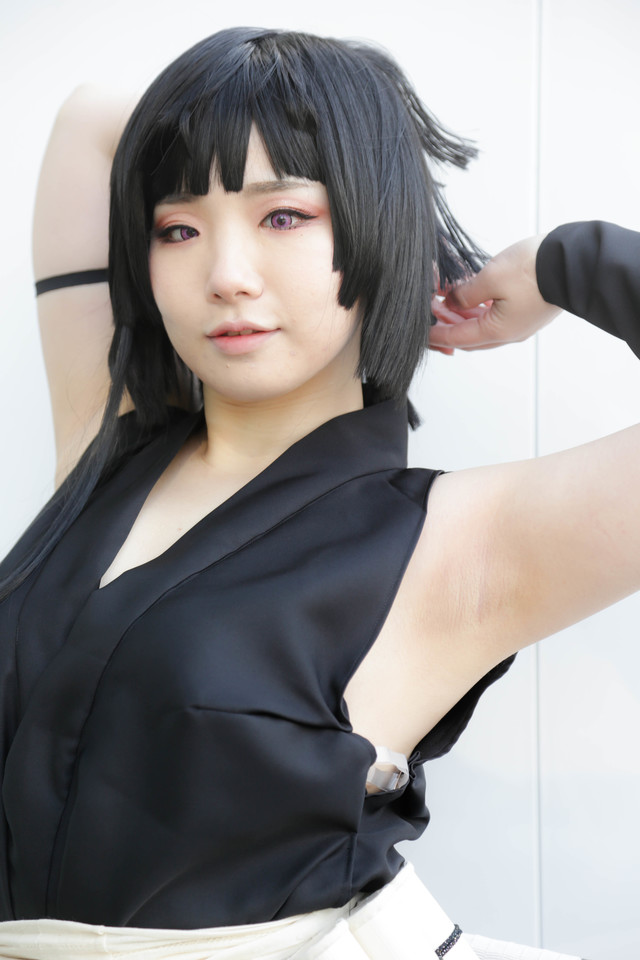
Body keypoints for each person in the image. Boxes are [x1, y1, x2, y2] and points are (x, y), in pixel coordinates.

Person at [0, 24, 637, 960]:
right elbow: (88, 121)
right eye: (178, 229)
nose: (225, 277)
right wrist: (242, 116)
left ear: (376, 225)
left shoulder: (458, 541)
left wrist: (564, 262)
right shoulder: (107, 441)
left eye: (284, 218)